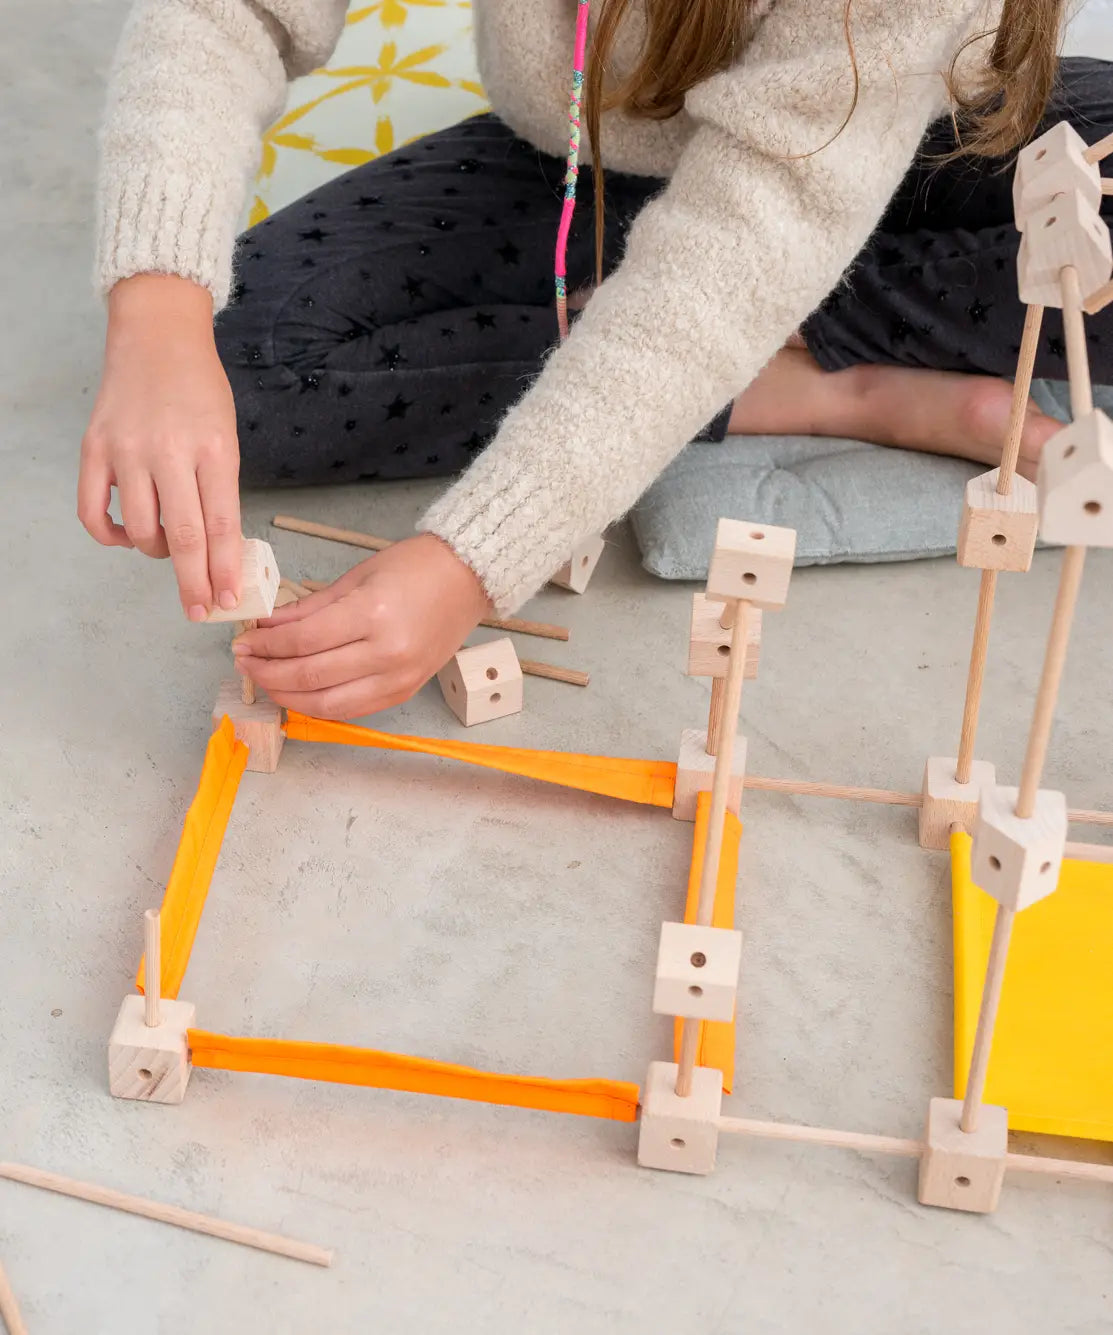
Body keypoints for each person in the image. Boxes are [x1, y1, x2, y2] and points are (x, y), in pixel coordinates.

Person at [82, 0, 1112, 721]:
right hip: (590, 166)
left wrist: (471, 563)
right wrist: (157, 313)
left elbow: (757, 226)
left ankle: (794, 343)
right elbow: (231, 11)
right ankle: (810, 381)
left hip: (937, 142)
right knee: (247, 358)